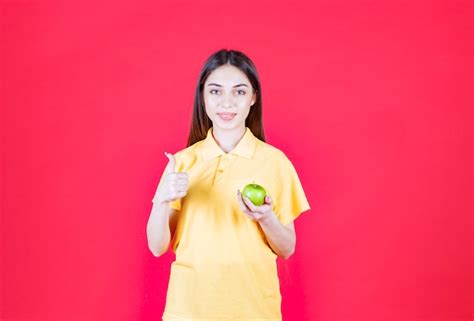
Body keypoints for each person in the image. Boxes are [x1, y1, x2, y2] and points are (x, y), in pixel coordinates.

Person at [146, 48, 311, 321]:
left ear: (253, 97)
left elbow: (287, 247)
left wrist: (266, 217)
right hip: (188, 310)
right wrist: (162, 200)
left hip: (254, 310)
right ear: (203, 97)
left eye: (239, 91)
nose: (227, 102)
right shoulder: (182, 162)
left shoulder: (274, 162)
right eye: (215, 91)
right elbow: (157, 246)